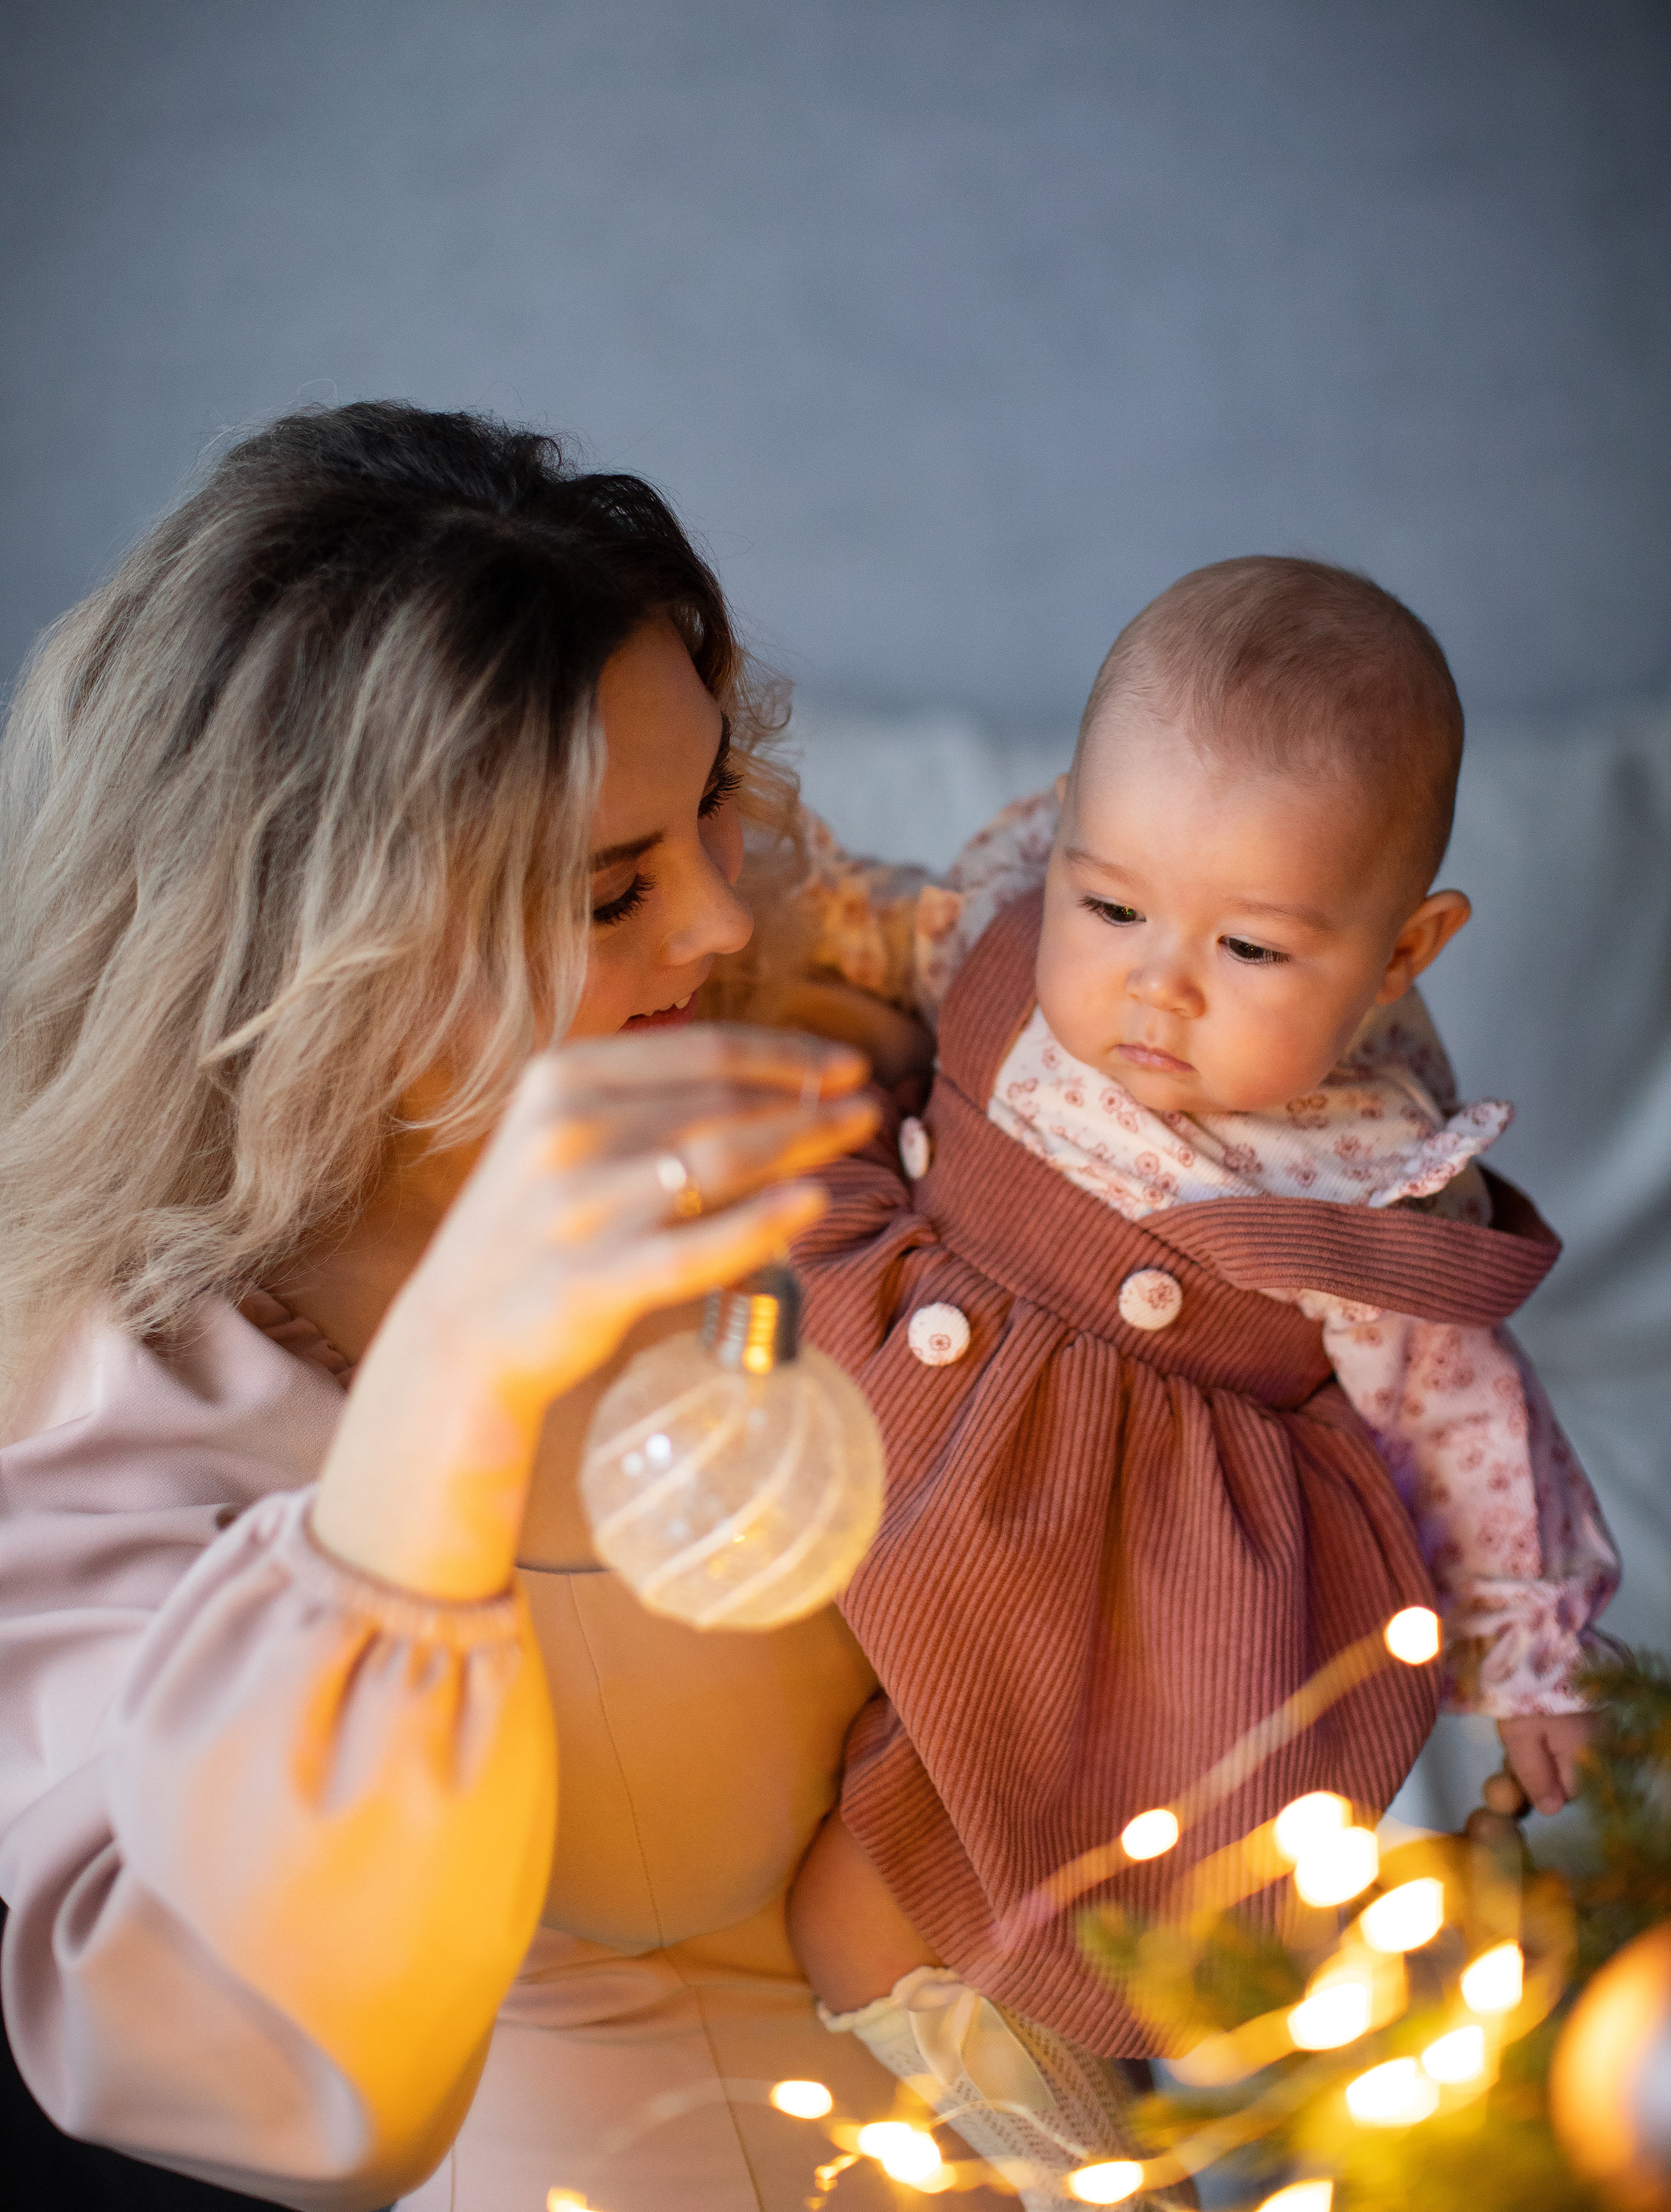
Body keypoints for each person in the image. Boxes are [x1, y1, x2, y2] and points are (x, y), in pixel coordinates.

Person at [0, 402, 1008, 2212]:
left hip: (1073, 2093)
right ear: (336, 944)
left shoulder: (781, 1007)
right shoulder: (125, 1376)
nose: (714, 916)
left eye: (709, 803)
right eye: (614, 887)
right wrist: (449, 1401)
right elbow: (233, 2062)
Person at [782, 559, 1619, 2206]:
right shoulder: (1006, 923)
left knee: (909, 1903)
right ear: (1065, 838)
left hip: (1098, 1579)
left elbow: (1469, 1432)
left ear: (1397, 957)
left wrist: (1530, 1657)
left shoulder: (1351, 1179)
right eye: (1112, 908)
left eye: (1246, 946)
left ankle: (1100, 2174)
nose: (1154, 984)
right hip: (864, 1428)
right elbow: (867, 937)